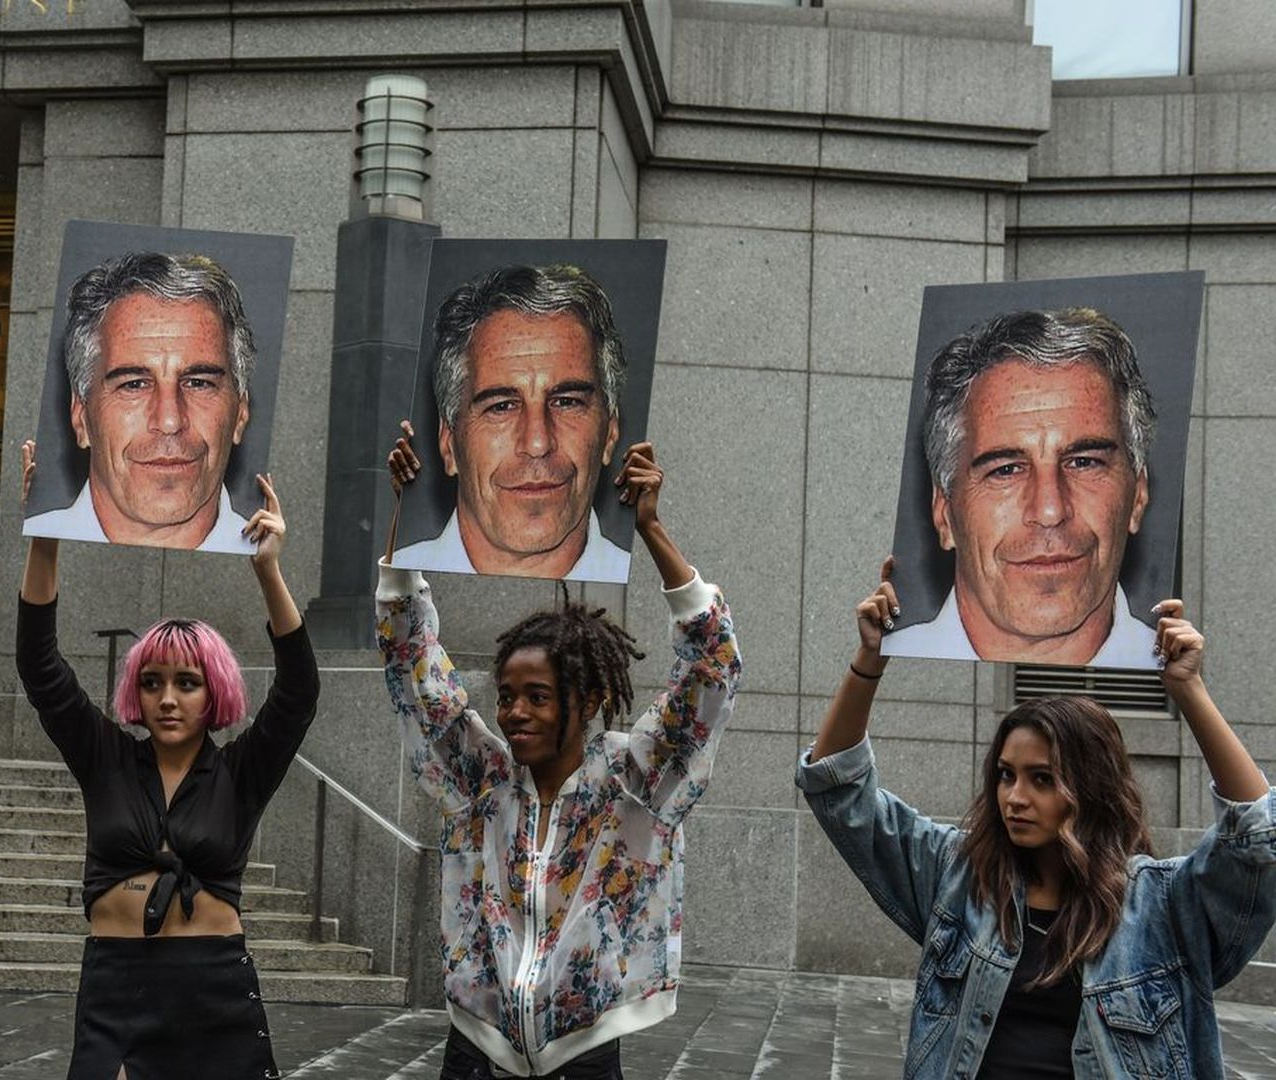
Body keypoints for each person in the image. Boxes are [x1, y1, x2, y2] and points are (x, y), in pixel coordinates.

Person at [802, 558, 1276, 1078]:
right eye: (1007, 775)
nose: (1015, 797)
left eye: (1042, 779)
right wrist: (870, 659)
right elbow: (840, 790)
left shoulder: (1161, 908)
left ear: (1091, 789)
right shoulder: (959, 878)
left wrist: (1188, 689)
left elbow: (1256, 837)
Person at [381, 422, 741, 1079]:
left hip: (583, 1054)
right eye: (508, 695)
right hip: (477, 1050)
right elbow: (414, 669)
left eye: (538, 697)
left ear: (589, 696)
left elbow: (711, 674)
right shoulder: (481, 782)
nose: (515, 712)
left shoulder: (634, 784)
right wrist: (407, 520)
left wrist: (652, 530)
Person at [15, 438, 316, 1080]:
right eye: (152, 682)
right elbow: (40, 668)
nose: (168, 699)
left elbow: (299, 694)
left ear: (216, 692)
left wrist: (268, 570)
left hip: (213, 991)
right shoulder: (107, 760)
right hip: (117, 987)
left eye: (187, 682)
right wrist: (46, 534)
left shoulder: (240, 772)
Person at [885, 308, 1159, 668]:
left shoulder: (1194, 684)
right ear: (944, 514)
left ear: (1137, 496)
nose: (1050, 511)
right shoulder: (872, 680)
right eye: (1006, 470)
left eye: (1084, 462)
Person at [391, 264, 631, 583]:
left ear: (610, 433)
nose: (537, 443)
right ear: (449, 445)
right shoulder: (382, 587)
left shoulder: (659, 584)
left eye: (566, 402)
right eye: (501, 407)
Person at [24, 251, 257, 552]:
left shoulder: (275, 565)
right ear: (81, 417)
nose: (170, 420)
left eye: (198, 383)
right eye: (134, 385)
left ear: (240, 413)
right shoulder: (32, 550)